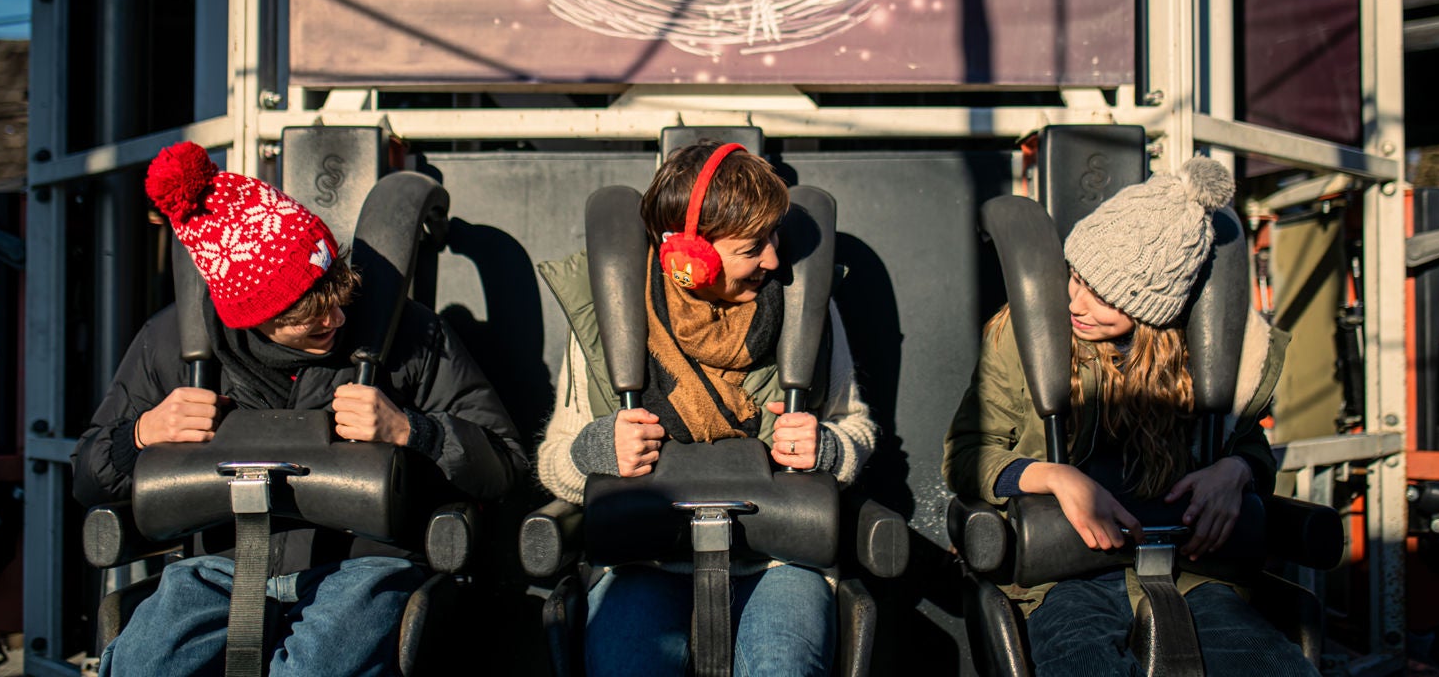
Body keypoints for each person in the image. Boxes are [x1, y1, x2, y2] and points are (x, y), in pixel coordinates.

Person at [72, 141, 528, 677]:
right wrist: (141, 436)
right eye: (308, 315)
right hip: (216, 567)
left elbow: (506, 462)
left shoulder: (408, 334)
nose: (335, 318)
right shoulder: (173, 344)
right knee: (147, 664)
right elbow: (87, 477)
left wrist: (415, 431)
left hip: (361, 566)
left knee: (322, 667)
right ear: (249, 316)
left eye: (338, 293)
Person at [943, 156, 1319, 676]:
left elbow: (1249, 446)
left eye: (1103, 297)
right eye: (1076, 278)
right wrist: (1054, 476)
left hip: (1188, 574)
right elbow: (967, 453)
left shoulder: (1201, 359)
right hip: (1065, 579)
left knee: (1276, 667)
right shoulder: (1025, 337)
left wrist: (1236, 472)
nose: (1076, 301)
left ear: (1150, 310)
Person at [537, 141, 877, 677]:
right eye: (751, 247)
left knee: (780, 667)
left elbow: (854, 425)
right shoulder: (609, 313)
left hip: (779, 557)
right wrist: (598, 449)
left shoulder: (806, 305)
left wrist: (830, 448)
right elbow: (556, 460)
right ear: (687, 260)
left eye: (774, 238)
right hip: (643, 557)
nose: (773, 259)